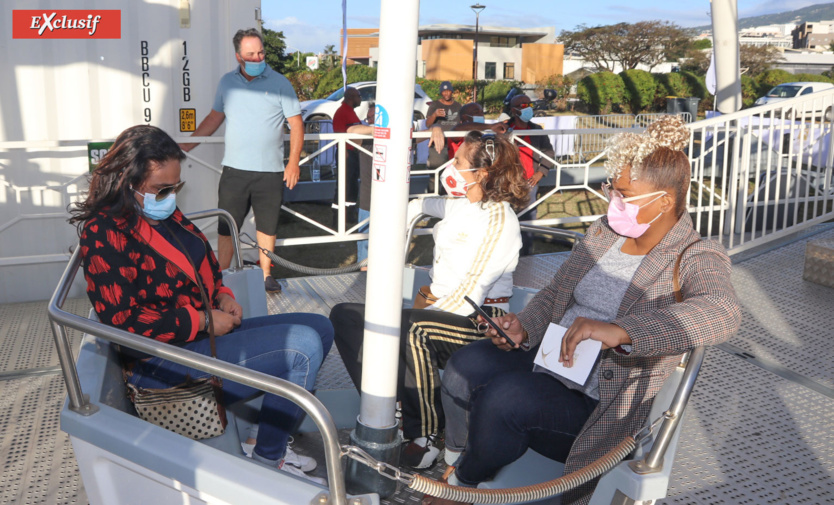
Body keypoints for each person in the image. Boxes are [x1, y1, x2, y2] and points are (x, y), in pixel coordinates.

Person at [434, 116, 742, 505]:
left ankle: (465, 484)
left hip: (598, 402)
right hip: (551, 359)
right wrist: (524, 326)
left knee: (505, 399)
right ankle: (462, 459)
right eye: (612, 188)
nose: (613, 201)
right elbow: (557, 293)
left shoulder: (695, 255)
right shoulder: (605, 232)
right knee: (464, 367)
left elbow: (722, 311)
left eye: (624, 195)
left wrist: (621, 331)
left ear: (664, 201)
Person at [71, 125, 334, 484]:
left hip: (199, 338)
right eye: (161, 188)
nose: (170, 196)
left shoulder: (160, 213)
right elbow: (122, 321)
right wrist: (202, 321)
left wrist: (221, 296)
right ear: (126, 182)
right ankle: (267, 465)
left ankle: (262, 439)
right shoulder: (104, 231)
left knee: (321, 327)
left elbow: (200, 263)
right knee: (302, 348)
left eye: (175, 187)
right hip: (163, 361)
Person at [330, 131, 528, 470]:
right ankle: (390, 404)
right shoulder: (459, 205)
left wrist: (412, 317)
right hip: (439, 310)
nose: (451, 165)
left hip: (482, 319)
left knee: (411, 328)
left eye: (458, 162)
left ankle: (426, 433)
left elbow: (471, 295)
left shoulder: (500, 220)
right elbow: (417, 206)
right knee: (345, 316)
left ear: (482, 173)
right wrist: (387, 248)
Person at [180, 28, 302, 294]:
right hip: (235, 170)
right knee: (227, 226)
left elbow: (296, 123)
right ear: (238, 56)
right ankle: (222, 277)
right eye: (251, 54)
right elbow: (214, 118)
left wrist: (293, 163)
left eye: (261, 53)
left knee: (267, 226)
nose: (258, 58)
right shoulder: (227, 83)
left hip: (271, 171)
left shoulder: (280, 82)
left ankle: (266, 275)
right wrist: (185, 145)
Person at [503, 94, 555, 256]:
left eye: (529, 104)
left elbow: (549, 153)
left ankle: (525, 255)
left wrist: (541, 172)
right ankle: (506, 255)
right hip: (508, 183)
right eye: (524, 105)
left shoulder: (536, 130)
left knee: (527, 221)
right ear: (513, 110)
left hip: (530, 183)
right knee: (506, 220)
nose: (528, 108)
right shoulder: (504, 130)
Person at [331, 87, 373, 227]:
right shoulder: (342, 112)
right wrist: (344, 151)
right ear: (351, 97)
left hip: (353, 153)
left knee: (352, 185)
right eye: (359, 96)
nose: (360, 99)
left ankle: (349, 215)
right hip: (347, 153)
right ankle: (338, 219)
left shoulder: (350, 111)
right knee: (344, 185)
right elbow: (339, 133)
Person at [425, 81, 462, 174]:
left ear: (452, 91)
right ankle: (434, 184)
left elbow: (462, 123)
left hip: (454, 145)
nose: (446, 93)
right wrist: (435, 115)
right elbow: (428, 124)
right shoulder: (435, 105)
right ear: (441, 92)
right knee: (436, 173)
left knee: (454, 174)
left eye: (448, 91)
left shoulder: (458, 106)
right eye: (444, 91)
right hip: (438, 145)